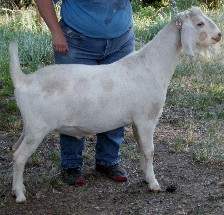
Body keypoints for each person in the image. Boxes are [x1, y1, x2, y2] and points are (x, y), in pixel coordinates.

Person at [35, 0, 135, 185]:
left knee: (117, 100)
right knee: (73, 102)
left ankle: (108, 160)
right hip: (76, 42)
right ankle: (71, 164)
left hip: (121, 41)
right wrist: (56, 32)